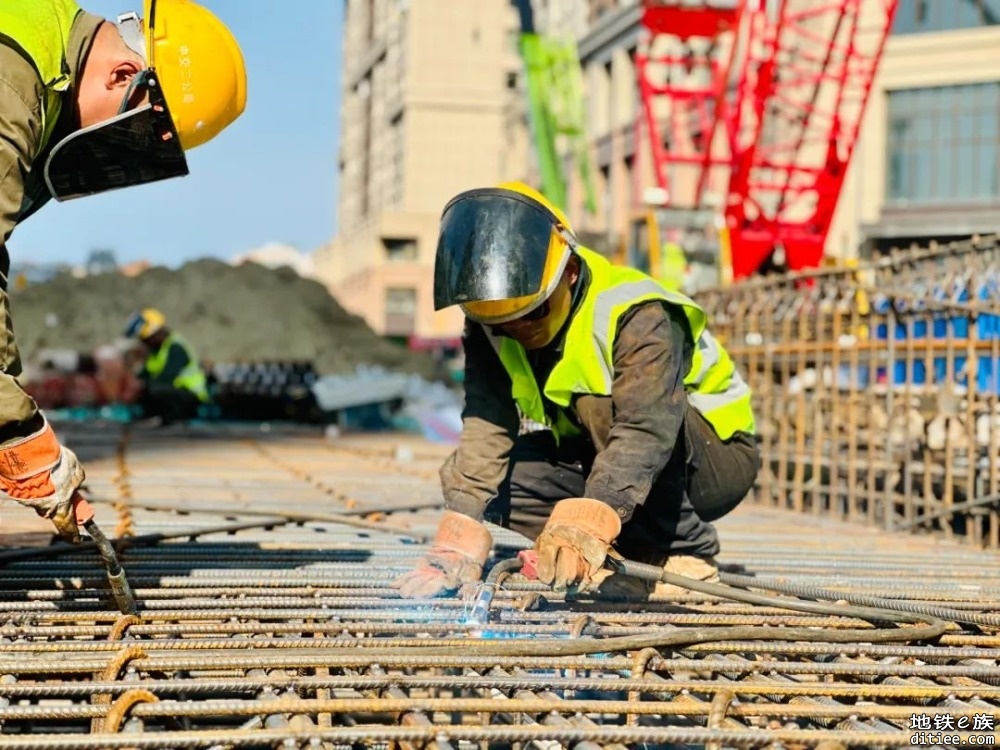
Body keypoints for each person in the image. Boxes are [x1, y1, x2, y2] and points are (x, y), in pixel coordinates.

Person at [393, 182, 760, 601]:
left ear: (568, 272)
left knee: (599, 404)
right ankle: (625, 549)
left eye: (533, 314)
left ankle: (684, 553)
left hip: (711, 460)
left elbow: (646, 429)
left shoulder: (637, 312)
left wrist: (588, 518)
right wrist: (461, 526)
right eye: (504, 324)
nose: (520, 331)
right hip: (607, 454)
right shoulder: (490, 320)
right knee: (491, 481)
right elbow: (487, 419)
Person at [0, 0, 246, 543]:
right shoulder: (12, 78)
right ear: (123, 76)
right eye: (123, 136)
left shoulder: (39, 44)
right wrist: (15, 429)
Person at [123, 308, 209, 424]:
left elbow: (166, 378)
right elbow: (145, 375)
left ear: (156, 333)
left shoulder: (176, 348)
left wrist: (141, 386)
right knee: (145, 389)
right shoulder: (156, 352)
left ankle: (172, 419)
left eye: (146, 339)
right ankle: (152, 417)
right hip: (174, 392)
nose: (144, 343)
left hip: (190, 396)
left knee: (154, 389)